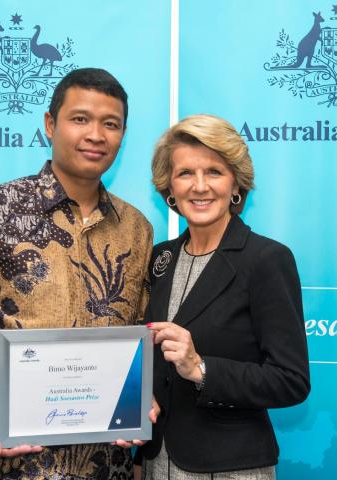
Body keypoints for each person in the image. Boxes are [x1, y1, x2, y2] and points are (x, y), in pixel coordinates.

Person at [0, 68, 156, 480]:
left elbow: (139, 336)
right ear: (49, 124)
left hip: (106, 469)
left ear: (123, 135)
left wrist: (142, 398)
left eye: (110, 124)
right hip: (6, 467)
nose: (96, 135)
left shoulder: (136, 228)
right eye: (80, 119)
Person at [138, 114, 310, 479]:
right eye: (185, 173)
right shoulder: (160, 258)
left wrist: (200, 368)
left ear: (236, 183)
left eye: (214, 171)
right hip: (157, 462)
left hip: (231, 467)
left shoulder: (266, 259)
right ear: (169, 186)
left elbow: (291, 380)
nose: (200, 187)